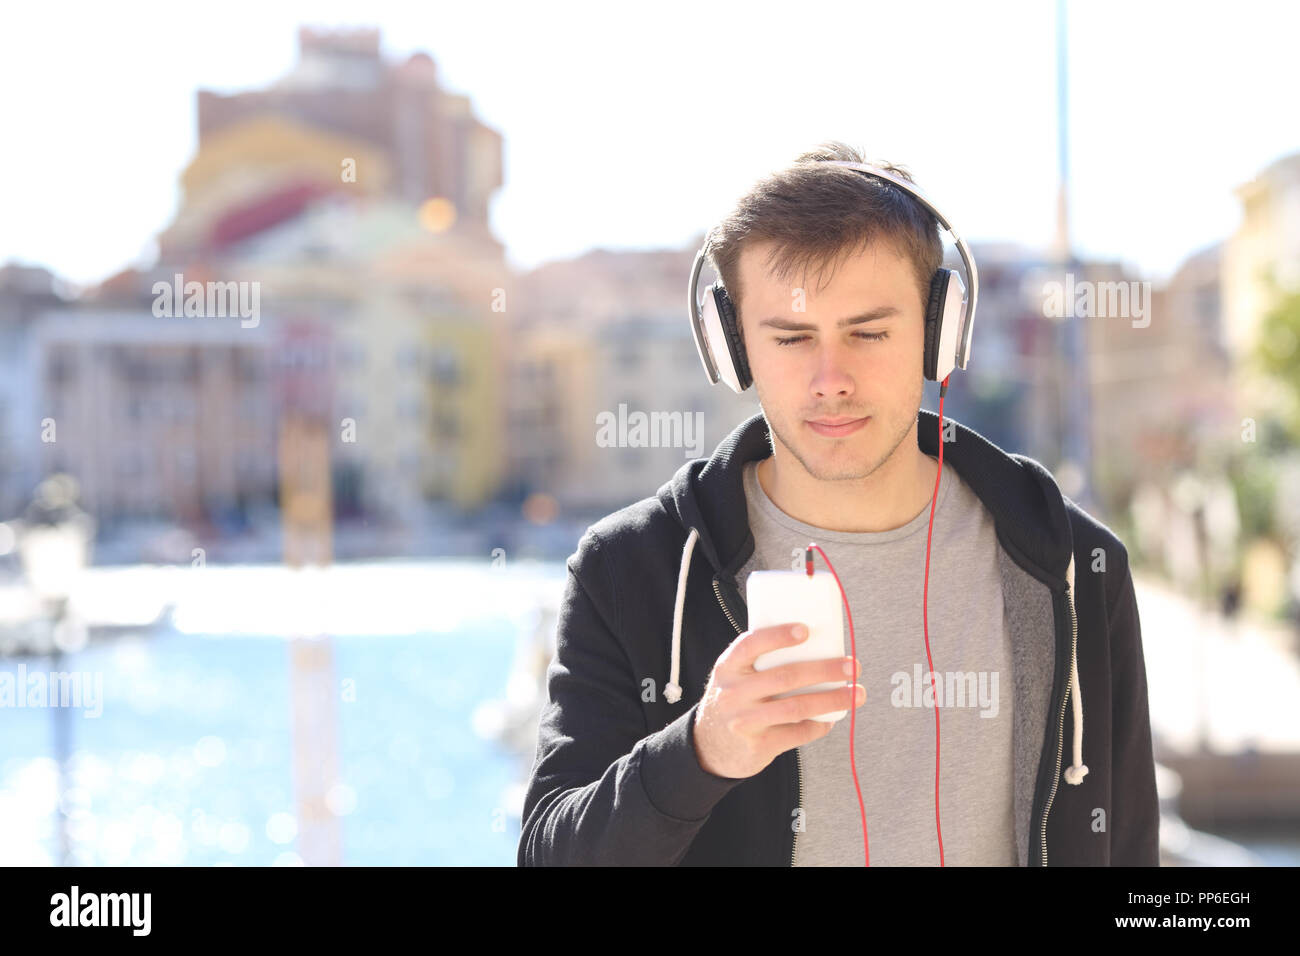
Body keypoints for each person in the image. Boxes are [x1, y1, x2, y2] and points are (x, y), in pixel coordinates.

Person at [517, 142, 1159, 866]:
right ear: (733, 349)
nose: (831, 379)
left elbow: (1129, 846)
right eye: (791, 338)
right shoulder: (627, 569)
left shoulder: (1077, 562)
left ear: (938, 331)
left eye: (869, 332)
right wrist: (700, 751)